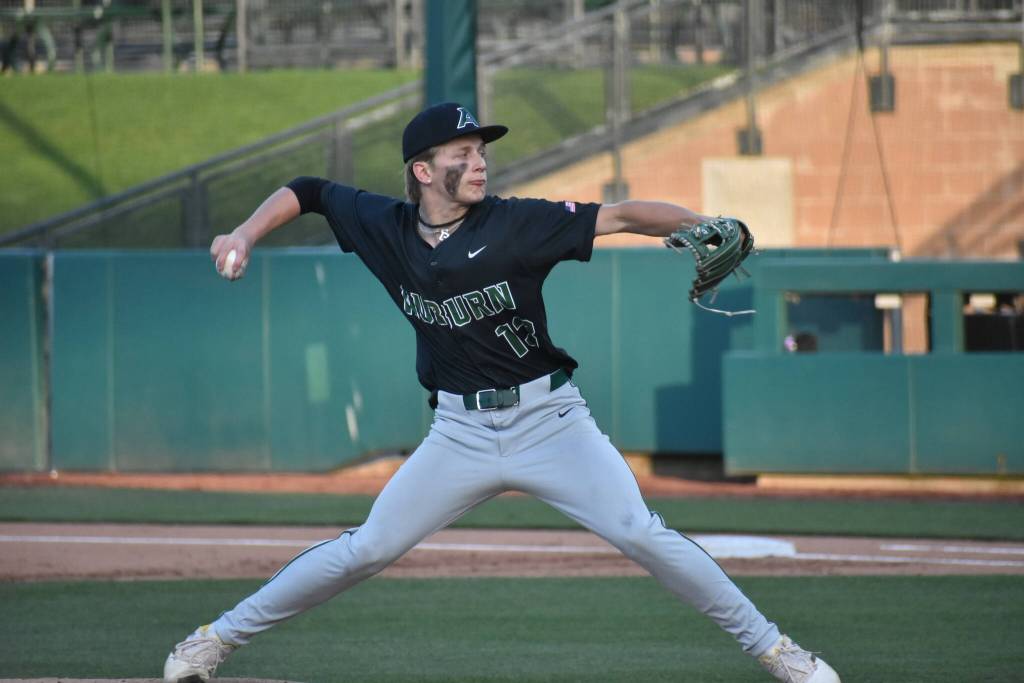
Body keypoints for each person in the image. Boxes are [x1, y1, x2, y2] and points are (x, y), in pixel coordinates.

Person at [163, 102, 840, 683]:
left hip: (551, 420)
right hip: (458, 433)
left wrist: (695, 221)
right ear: (423, 171)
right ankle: (213, 640)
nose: (481, 160)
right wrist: (245, 231)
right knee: (366, 547)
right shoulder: (385, 227)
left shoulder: (516, 222)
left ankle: (783, 655)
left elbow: (623, 213)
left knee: (642, 532)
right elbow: (307, 189)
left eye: (482, 149)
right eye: (463, 151)